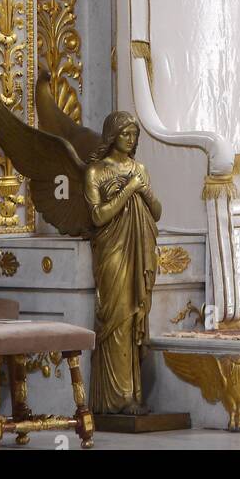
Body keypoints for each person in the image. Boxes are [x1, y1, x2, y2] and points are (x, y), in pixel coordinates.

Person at [83, 113, 161, 415]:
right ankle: (114, 398)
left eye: (134, 134)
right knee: (116, 316)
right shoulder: (95, 172)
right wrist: (128, 189)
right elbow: (98, 216)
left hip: (138, 248)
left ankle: (132, 395)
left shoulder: (139, 169)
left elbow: (156, 211)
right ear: (112, 135)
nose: (131, 139)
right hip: (111, 250)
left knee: (132, 317)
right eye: (126, 133)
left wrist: (143, 189)